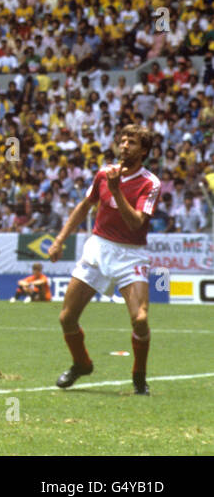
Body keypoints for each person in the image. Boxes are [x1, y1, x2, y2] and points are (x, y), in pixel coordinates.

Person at [48, 125, 161, 395]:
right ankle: (81, 364)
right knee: (67, 318)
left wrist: (116, 190)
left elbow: (135, 223)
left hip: (130, 254)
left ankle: (138, 375)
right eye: (122, 140)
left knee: (140, 319)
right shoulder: (103, 174)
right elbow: (84, 206)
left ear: (143, 150)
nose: (124, 146)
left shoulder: (150, 183)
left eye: (131, 142)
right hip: (98, 249)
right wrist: (59, 240)